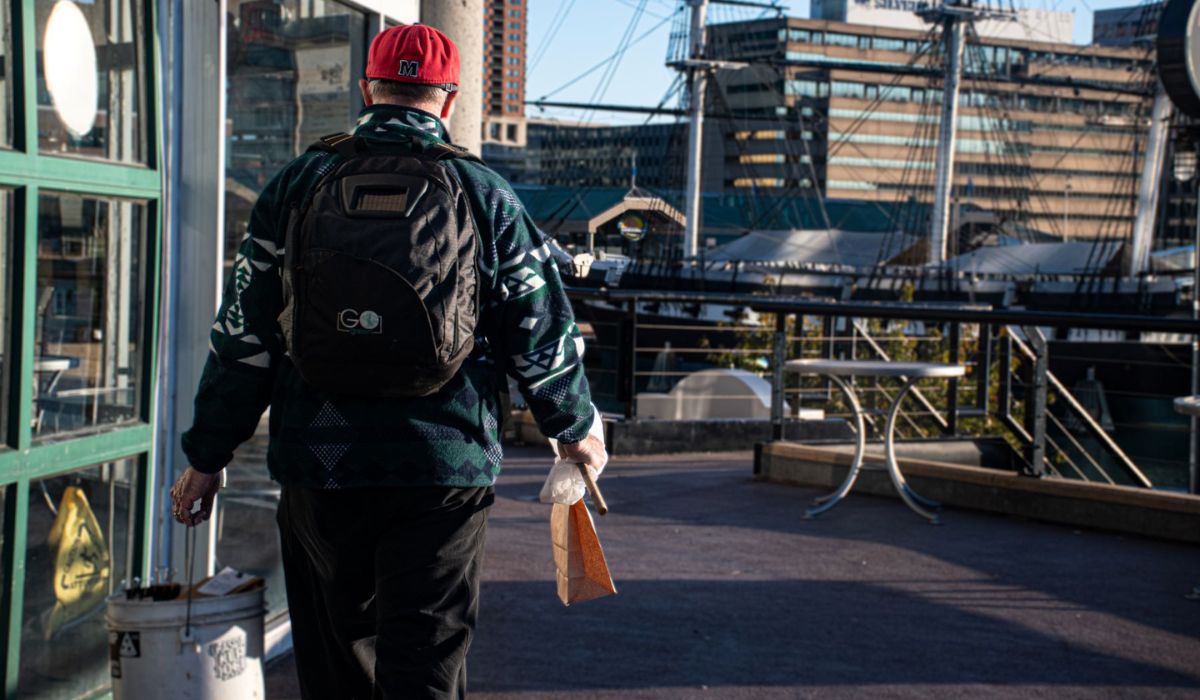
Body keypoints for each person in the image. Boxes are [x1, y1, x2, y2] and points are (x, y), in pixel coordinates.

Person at [169, 24, 605, 699]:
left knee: (337, 667)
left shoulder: (297, 185)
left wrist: (207, 455)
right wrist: (573, 430)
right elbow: (539, 331)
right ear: (449, 100)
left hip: (320, 462)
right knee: (426, 666)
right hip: (444, 468)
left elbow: (243, 338)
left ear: (367, 88)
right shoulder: (485, 194)